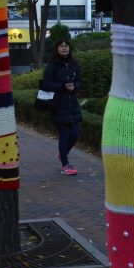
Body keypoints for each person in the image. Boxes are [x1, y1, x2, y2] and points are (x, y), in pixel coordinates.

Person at [41, 39, 82, 176]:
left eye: (66, 46)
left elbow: (79, 81)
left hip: (73, 104)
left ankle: (62, 153)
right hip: (58, 104)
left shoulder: (73, 63)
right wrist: (62, 86)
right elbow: (46, 84)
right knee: (64, 135)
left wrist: (74, 86)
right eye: (61, 46)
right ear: (57, 49)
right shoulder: (52, 65)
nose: (64, 48)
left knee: (75, 134)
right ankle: (65, 164)